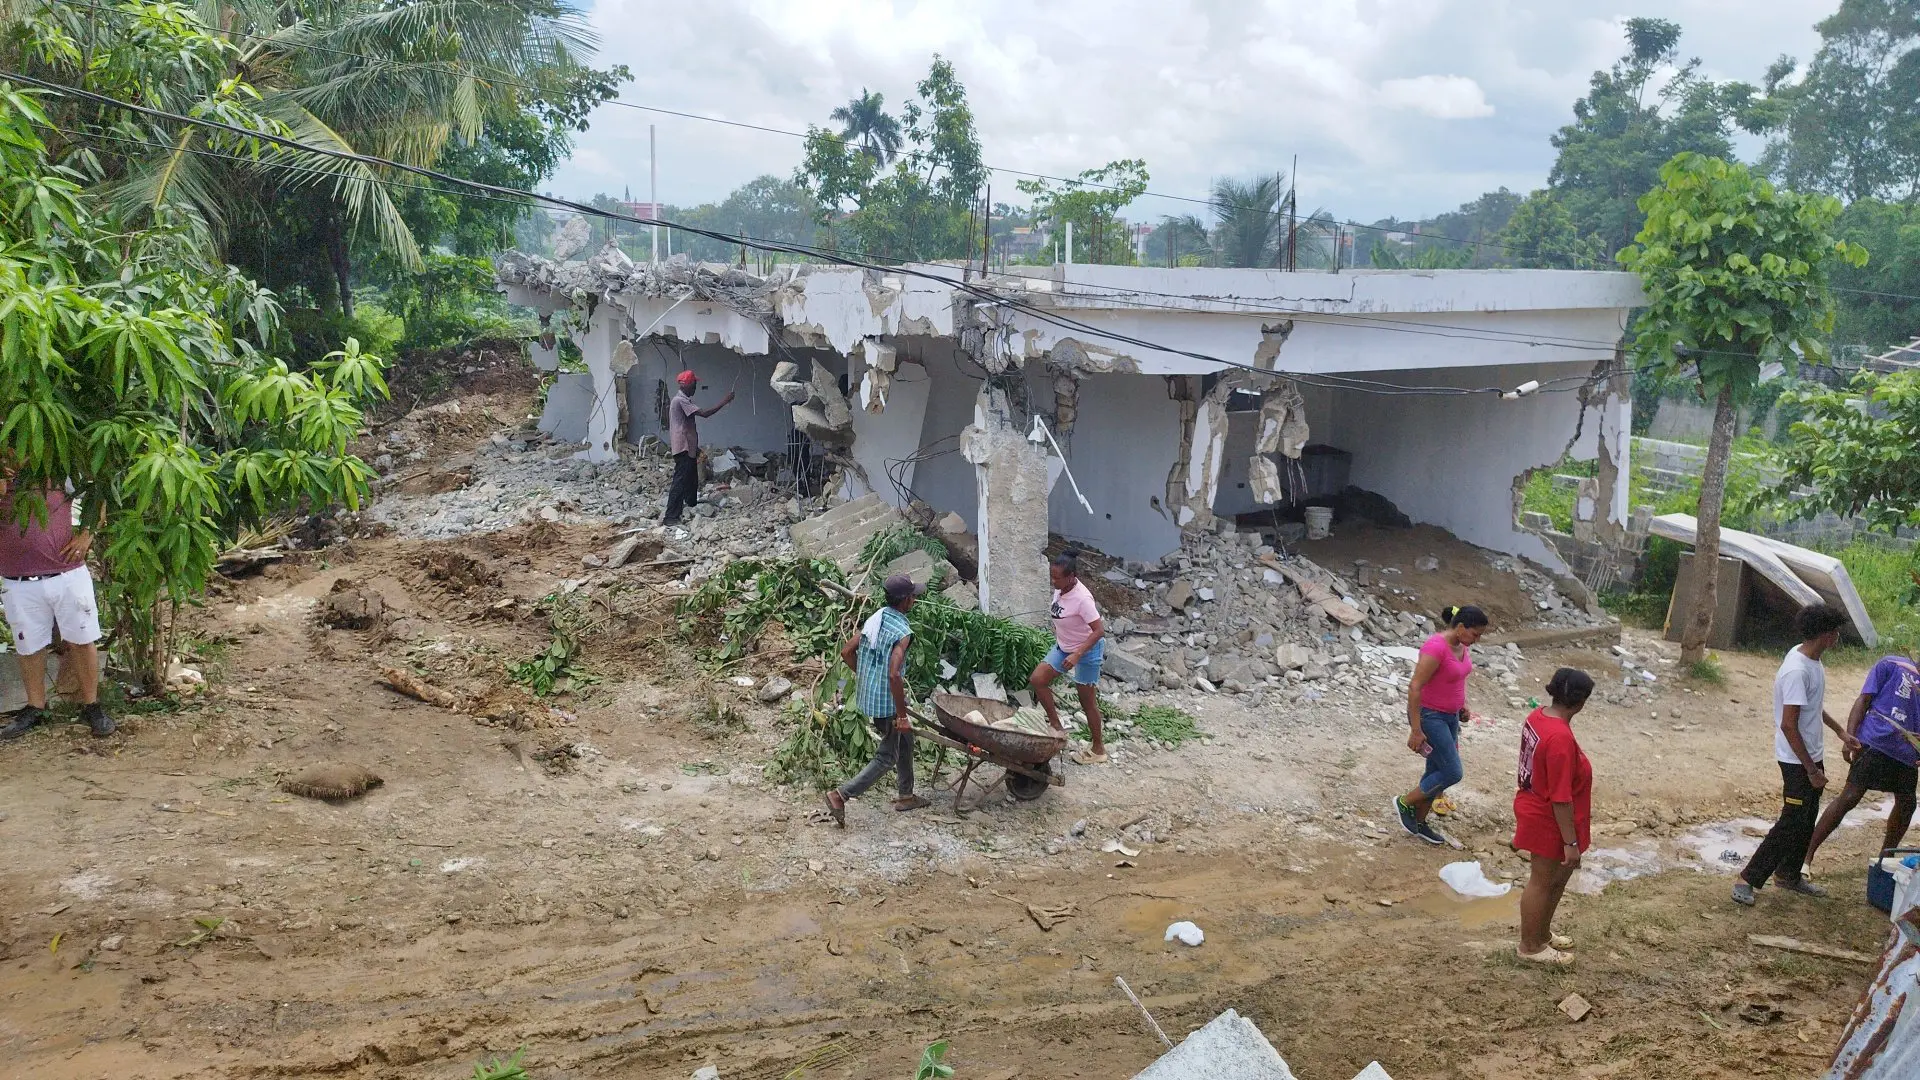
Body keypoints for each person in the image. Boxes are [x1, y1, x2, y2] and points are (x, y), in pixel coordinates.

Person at [1733, 603, 1854, 905]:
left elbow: (1812, 707)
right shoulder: (1796, 670)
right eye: (1836, 633)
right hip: (1796, 759)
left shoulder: (1813, 662)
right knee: (1792, 819)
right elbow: (1788, 725)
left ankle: (1789, 875)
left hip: (1811, 754)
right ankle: (1747, 879)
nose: (1837, 638)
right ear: (1826, 635)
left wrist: (1840, 731)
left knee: (1807, 816)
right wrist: (1811, 769)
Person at [0, 468, 113, 739]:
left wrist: (88, 534)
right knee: (28, 645)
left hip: (66, 573)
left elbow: (97, 494)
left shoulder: (57, 465)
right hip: (17, 578)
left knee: (82, 638)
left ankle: (91, 705)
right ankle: (35, 707)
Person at [824, 573, 929, 825]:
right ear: (905, 601)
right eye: (913, 596)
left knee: (906, 741)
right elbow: (894, 674)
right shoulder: (903, 632)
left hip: (871, 698)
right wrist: (902, 715)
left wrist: (867, 675)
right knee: (887, 756)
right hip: (887, 705)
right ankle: (841, 795)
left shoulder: (877, 617)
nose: (915, 600)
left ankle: (906, 795)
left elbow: (847, 651)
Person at [1802, 650, 1920, 870]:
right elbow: (1864, 699)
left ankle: (1885, 860)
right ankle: (1805, 856)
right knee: (1850, 796)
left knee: (1906, 804)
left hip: (1906, 753)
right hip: (1875, 742)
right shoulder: (1891, 665)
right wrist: (1850, 736)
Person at [1513, 667, 1596, 967]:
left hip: (1537, 803)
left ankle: (1542, 934)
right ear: (1581, 702)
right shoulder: (1559, 737)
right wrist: (1570, 842)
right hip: (1548, 817)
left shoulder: (1538, 716)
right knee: (1542, 881)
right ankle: (1530, 946)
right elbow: (1561, 798)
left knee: (1556, 879)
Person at [1394, 604, 1489, 845]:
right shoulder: (1436, 647)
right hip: (1430, 716)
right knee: (1451, 771)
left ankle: (1419, 822)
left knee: (1435, 771)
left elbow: (1456, 678)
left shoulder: (1461, 645)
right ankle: (1404, 802)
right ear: (1460, 627)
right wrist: (1416, 730)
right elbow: (1415, 687)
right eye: (1475, 634)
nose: (1477, 640)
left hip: (1449, 716)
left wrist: (1462, 705)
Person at [1030, 550, 1107, 765]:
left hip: (1086, 651)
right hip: (1064, 647)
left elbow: (1099, 631)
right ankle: (1056, 726)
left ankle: (1098, 749)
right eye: (1051, 576)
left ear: (1071, 576)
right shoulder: (1062, 588)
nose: (1053, 581)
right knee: (1038, 679)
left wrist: (1077, 654)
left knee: (1087, 702)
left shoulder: (1082, 599)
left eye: (1057, 577)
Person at [662, 369, 735, 527]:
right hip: (683, 447)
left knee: (691, 479)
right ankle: (670, 517)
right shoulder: (680, 400)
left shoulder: (682, 399)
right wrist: (725, 401)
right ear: (687, 385)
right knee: (680, 481)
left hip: (687, 446)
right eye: (694, 384)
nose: (695, 387)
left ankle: (691, 505)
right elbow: (705, 413)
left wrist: (696, 449)